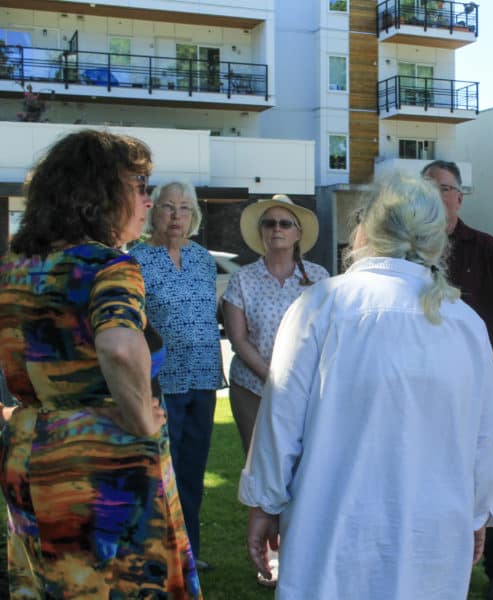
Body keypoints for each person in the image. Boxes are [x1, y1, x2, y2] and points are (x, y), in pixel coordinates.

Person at [239, 171, 493, 599]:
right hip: (431, 537)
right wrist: (477, 513)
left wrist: (265, 502)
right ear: (435, 237)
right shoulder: (464, 323)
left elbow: (280, 422)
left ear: (365, 228)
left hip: (331, 536)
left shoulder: (321, 305)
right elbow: (485, 438)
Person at [0, 129, 201, 598]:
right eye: (139, 186)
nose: (147, 201)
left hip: (28, 451)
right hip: (103, 463)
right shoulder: (109, 266)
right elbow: (118, 346)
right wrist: (139, 417)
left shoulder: (12, 268)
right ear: (101, 192)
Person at [422, 159, 493, 600]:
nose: (437, 196)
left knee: (486, 479)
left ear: (459, 196)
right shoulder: (412, 251)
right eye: (428, 189)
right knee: (430, 477)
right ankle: (435, 561)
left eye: (444, 189)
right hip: (424, 391)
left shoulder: (485, 248)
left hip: (474, 391)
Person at [129, 181, 223, 570]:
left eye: (184, 209)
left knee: (192, 471)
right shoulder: (134, 259)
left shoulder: (202, 258)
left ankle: (190, 553)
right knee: (158, 471)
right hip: (159, 381)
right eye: (168, 207)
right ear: (153, 212)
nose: (175, 216)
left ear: (194, 216)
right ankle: (157, 552)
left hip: (203, 379)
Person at [222, 194, 329, 456]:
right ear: (261, 232)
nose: (277, 229)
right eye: (269, 224)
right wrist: (272, 377)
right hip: (252, 389)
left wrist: (297, 382)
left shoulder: (319, 278)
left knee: (304, 466)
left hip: (305, 390)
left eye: (285, 224)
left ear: (298, 233)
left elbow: (328, 334)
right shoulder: (242, 279)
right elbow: (238, 339)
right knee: (258, 467)